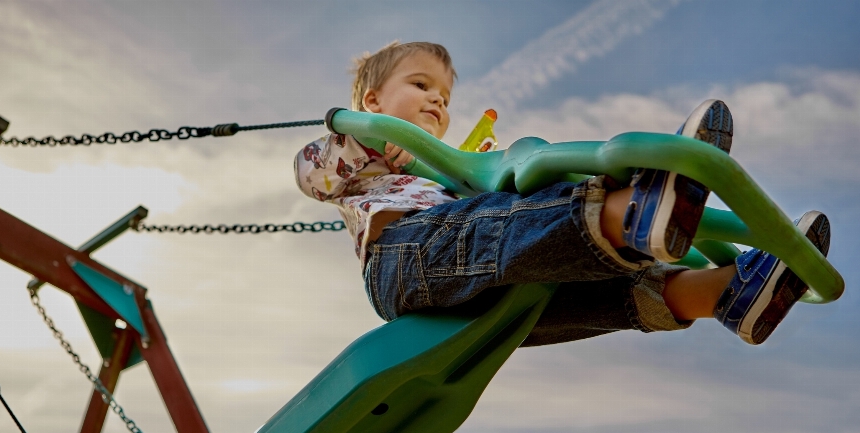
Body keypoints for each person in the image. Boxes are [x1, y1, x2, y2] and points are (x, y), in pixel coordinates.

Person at [294, 41, 830, 346]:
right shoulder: (354, 157)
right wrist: (363, 132)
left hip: (470, 298)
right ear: (371, 100)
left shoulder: (445, 169)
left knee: (568, 294)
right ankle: (630, 213)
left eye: (444, 95)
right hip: (404, 265)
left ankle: (724, 292)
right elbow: (310, 173)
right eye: (420, 86)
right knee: (506, 220)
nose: (436, 101)